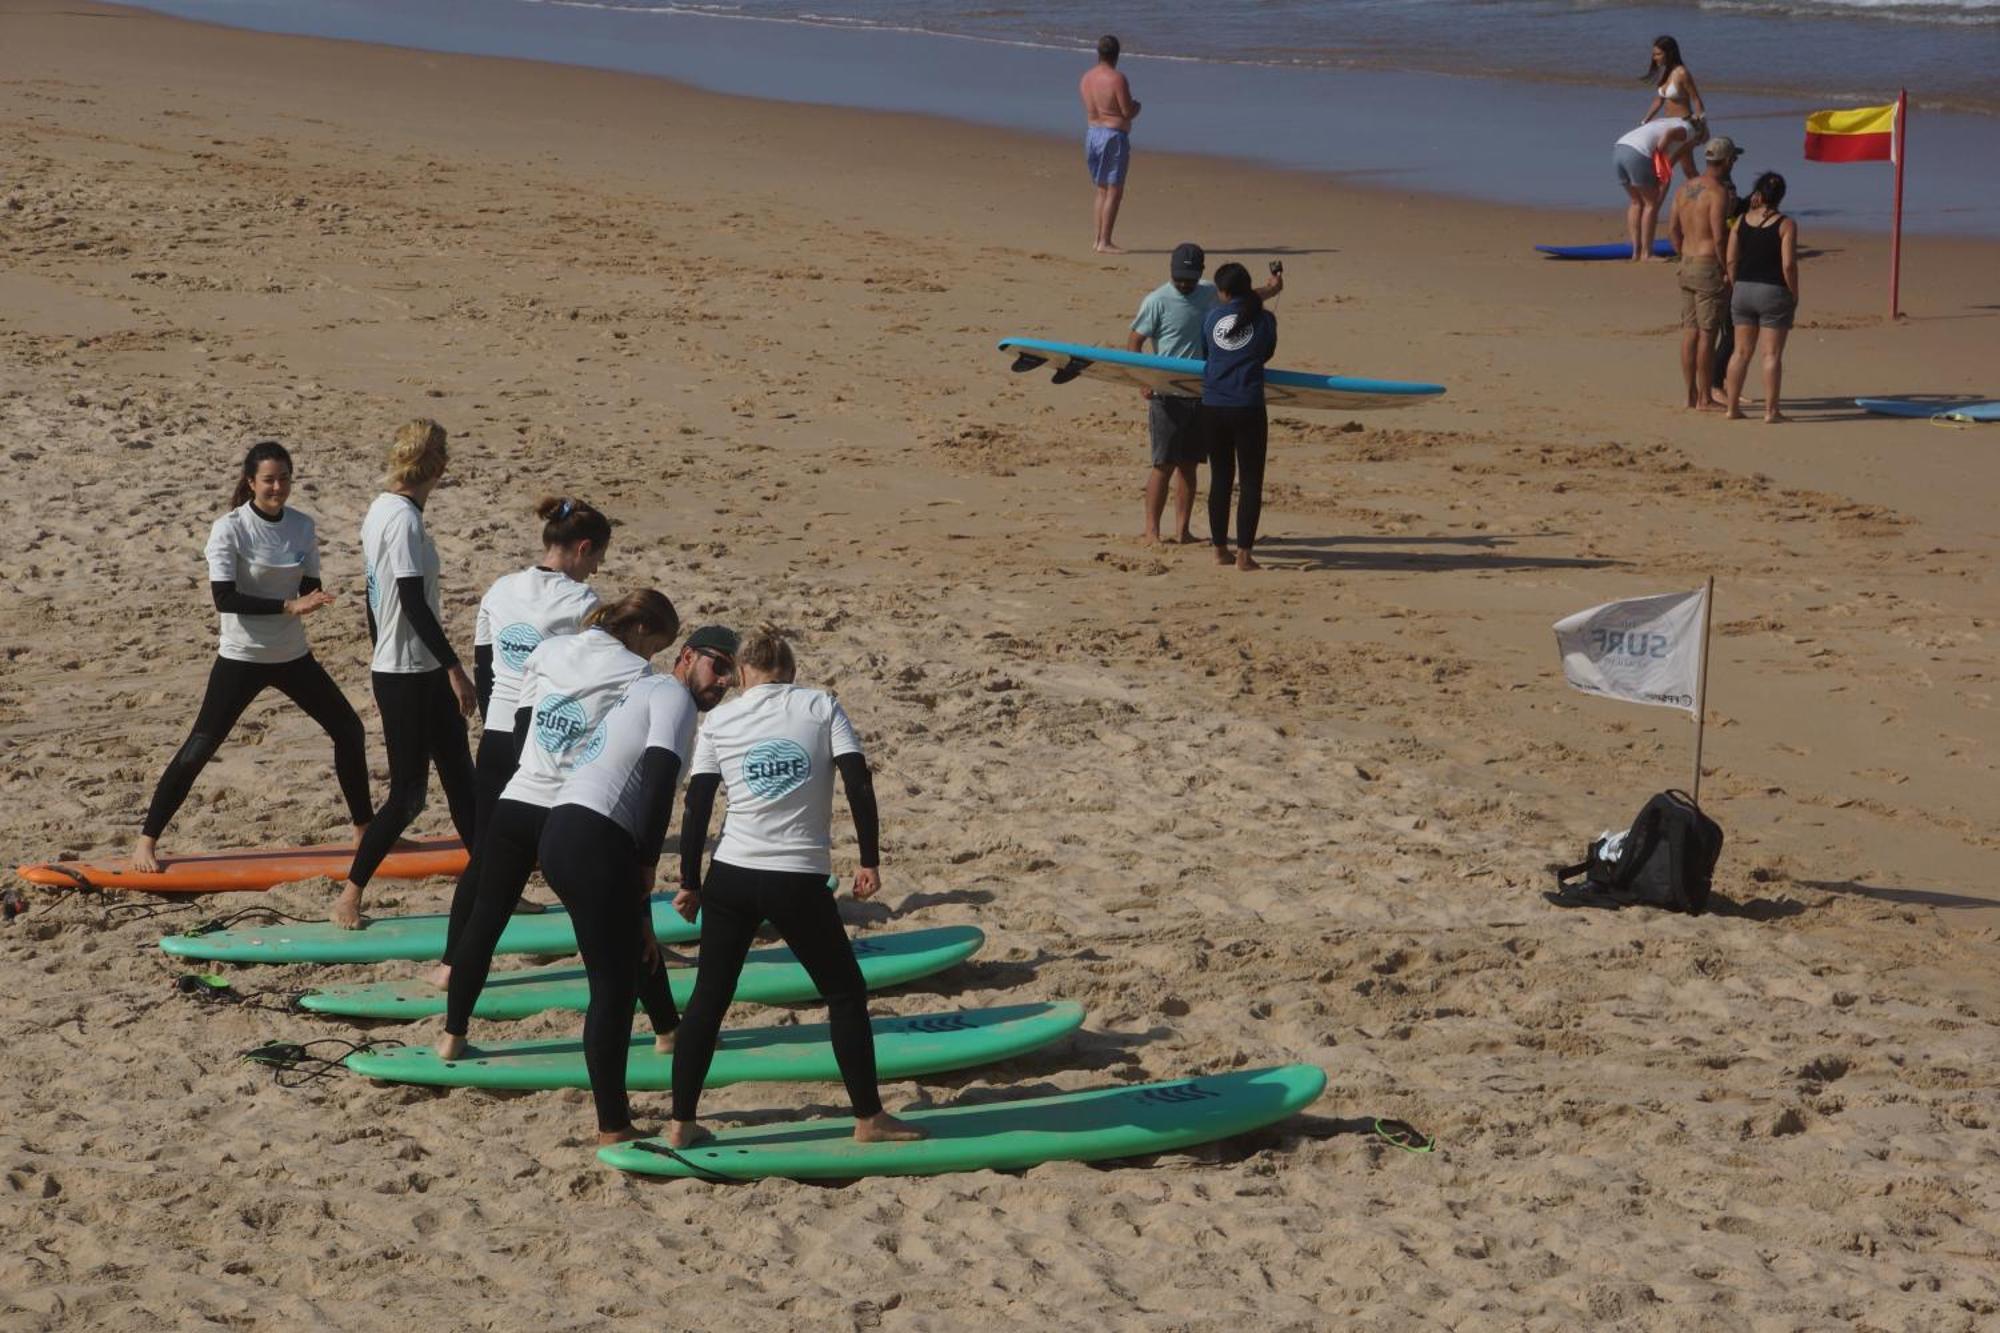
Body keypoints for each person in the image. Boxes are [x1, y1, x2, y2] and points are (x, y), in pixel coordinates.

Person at [666, 627, 924, 1149]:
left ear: (742, 674)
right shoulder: (820, 706)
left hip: (731, 876)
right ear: (791, 671)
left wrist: (691, 882)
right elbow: (858, 781)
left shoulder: (719, 719)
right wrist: (868, 859)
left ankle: (681, 1123)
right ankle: (869, 1117)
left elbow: (696, 806)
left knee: (708, 1000)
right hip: (797, 879)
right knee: (844, 993)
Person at [435, 595, 713, 1056]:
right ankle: (666, 1028)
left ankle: (453, 1034)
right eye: (656, 646)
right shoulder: (638, 674)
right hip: (577, 812)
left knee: (485, 921)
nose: (652, 658)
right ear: (641, 629)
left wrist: (537, 769)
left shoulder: (547, 650)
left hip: (518, 798)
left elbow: (523, 730)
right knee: (627, 925)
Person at [529, 624, 739, 1144]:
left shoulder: (643, 689)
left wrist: (639, 912)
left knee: (626, 962)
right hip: (594, 839)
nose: (724, 681)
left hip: (565, 834)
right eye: (718, 666)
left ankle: (660, 1041)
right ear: (687, 656)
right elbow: (659, 775)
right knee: (612, 989)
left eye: (733, 673)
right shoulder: (673, 695)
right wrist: (647, 864)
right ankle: (613, 1127)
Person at [132, 442, 372, 873]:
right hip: (242, 656)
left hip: (292, 655)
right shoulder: (230, 529)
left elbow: (307, 584)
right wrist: (287, 607)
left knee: (349, 730)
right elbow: (224, 598)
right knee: (200, 747)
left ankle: (363, 830)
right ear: (251, 482)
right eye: (268, 479)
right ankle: (147, 841)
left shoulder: (302, 526)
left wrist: (312, 599)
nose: (277, 487)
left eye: (283, 478)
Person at [430, 496, 610, 986]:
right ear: (583, 547)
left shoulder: (500, 589)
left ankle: (450, 963)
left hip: (498, 737)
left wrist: (497, 726)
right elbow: (587, 679)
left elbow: (486, 670)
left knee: (487, 854)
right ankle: (618, 950)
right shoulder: (582, 603)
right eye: (596, 559)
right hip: (549, 743)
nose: (595, 570)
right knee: (576, 854)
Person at [334, 419, 478, 929]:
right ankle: (351, 894)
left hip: (411, 669)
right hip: (408, 675)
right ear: (435, 468)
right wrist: (455, 670)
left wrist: (384, 653)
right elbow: (413, 603)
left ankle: (490, 888)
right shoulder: (403, 521)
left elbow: (372, 595)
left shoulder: (381, 509)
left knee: (465, 784)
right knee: (409, 796)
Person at [1127, 243, 1283, 545]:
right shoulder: (1156, 301)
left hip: (1205, 393)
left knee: (1189, 465)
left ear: (1200, 273)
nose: (1184, 283)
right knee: (1163, 464)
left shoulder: (1212, 292)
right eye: (1178, 278)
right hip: (1166, 393)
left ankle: (1183, 531)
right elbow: (1135, 341)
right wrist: (1142, 378)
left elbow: (1244, 301)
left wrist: (1272, 289)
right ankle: (1151, 531)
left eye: (1189, 277)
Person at [1201, 262, 1279, 573]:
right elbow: (1266, 353)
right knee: (1249, 482)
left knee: (1220, 478)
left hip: (1212, 405)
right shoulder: (1266, 319)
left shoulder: (1211, 317)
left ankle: (1219, 550)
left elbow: (1207, 352)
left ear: (1223, 292)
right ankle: (1244, 556)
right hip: (1247, 406)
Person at [1723, 171, 1800, 424]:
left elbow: (1731, 259)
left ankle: (1732, 407)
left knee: (1740, 352)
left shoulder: (1740, 221)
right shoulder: (1785, 224)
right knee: (1771, 354)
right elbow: (1788, 264)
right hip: (1773, 290)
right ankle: (1771, 411)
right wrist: (1793, 291)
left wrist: (1736, 284)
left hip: (1743, 288)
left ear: (1757, 193)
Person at [1668, 137, 1739, 412]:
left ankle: (1689, 395)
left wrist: (1683, 252)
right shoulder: (1717, 192)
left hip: (1687, 261)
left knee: (1690, 331)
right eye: (1733, 159)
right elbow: (1720, 236)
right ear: (1727, 161)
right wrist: (1727, 268)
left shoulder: (1684, 189)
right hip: (1708, 264)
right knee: (1708, 333)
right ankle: (1705, 397)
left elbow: (1673, 230)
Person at [1079, 34, 1140, 254]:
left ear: (1099, 53)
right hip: (1112, 136)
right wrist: (1137, 107)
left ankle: (1098, 239)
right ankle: (1104, 241)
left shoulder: (1086, 77)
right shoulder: (1117, 78)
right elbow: (1126, 111)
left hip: (1093, 133)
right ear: (1117, 54)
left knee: (1102, 189)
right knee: (1114, 190)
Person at [1614, 117, 1694, 262]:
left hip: (1620, 148)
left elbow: (1669, 163)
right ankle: (1647, 254)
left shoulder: (1665, 121)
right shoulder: (1688, 129)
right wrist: (1656, 157)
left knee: (1636, 202)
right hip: (1638, 153)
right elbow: (1668, 136)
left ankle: (1635, 253)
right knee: (1651, 204)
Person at [1640, 36, 1707, 154]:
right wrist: (1645, 121)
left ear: (1669, 53)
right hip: (1669, 123)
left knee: (1666, 160)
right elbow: (1659, 101)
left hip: (1683, 124)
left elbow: (1695, 99)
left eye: (1658, 54)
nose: (1654, 58)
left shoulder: (1682, 73)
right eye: (1654, 54)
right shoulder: (1665, 72)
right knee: (1688, 169)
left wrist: (1703, 127)